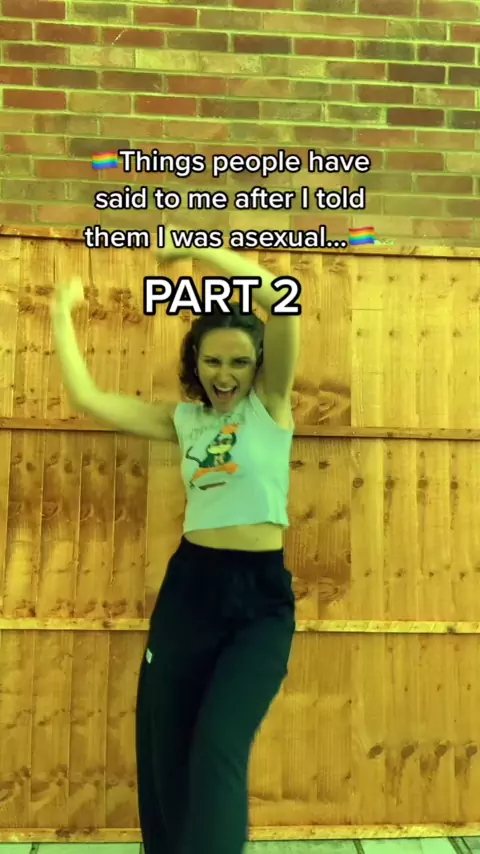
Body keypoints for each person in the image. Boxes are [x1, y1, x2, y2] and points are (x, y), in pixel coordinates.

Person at [50, 228, 301, 854]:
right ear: (195, 363)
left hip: (259, 602)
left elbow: (284, 298)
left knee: (218, 744)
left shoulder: (271, 407)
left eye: (239, 361)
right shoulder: (183, 419)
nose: (225, 374)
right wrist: (60, 314)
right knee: (166, 748)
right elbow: (87, 397)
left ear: (259, 365)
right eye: (213, 361)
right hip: (190, 590)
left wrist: (194, 247)